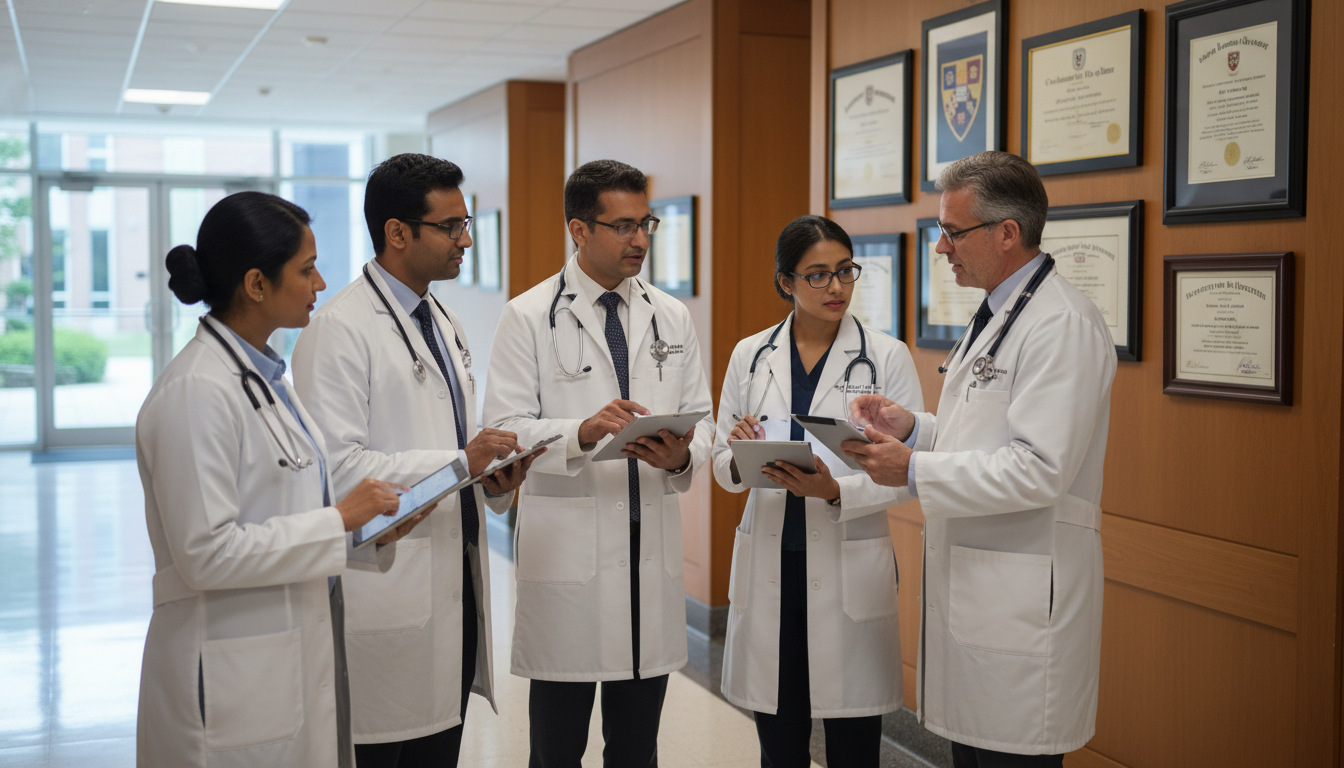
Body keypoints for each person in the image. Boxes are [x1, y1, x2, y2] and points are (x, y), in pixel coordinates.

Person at [842, 151, 1116, 768]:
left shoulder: (1060, 323)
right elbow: (985, 439)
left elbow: (1039, 467)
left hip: (1020, 610)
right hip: (982, 604)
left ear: (1007, 233)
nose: (941, 248)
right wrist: (912, 428)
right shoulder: (1001, 311)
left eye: (952, 231)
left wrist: (910, 468)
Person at [136, 191, 426, 767]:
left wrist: (361, 535)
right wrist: (339, 518)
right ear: (257, 284)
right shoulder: (197, 391)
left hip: (281, 659)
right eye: (306, 268)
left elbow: (281, 515)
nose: (320, 284)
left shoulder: (267, 381)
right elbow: (206, 554)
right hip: (226, 676)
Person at [292, 154, 537, 768]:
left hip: (454, 587)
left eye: (466, 222)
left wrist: (491, 477)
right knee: (386, 748)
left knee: (438, 746)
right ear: (398, 232)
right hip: (386, 588)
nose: (467, 239)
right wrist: (460, 461)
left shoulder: (442, 319)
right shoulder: (340, 329)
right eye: (450, 226)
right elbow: (339, 470)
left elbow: (454, 443)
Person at [482, 159, 715, 766]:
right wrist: (578, 431)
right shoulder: (528, 316)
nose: (640, 240)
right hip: (569, 556)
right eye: (622, 226)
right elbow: (503, 431)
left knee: (637, 749)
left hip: (649, 549)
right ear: (579, 230)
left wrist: (682, 452)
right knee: (556, 750)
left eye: (647, 224)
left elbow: (703, 420)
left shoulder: (672, 315)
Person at [711, 215, 923, 767]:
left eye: (846, 271)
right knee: (779, 745)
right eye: (818, 275)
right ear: (786, 282)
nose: (836, 287)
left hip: (848, 560)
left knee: (854, 746)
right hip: (771, 566)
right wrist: (737, 452)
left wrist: (835, 491)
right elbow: (718, 461)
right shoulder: (750, 355)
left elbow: (907, 472)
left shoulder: (886, 356)